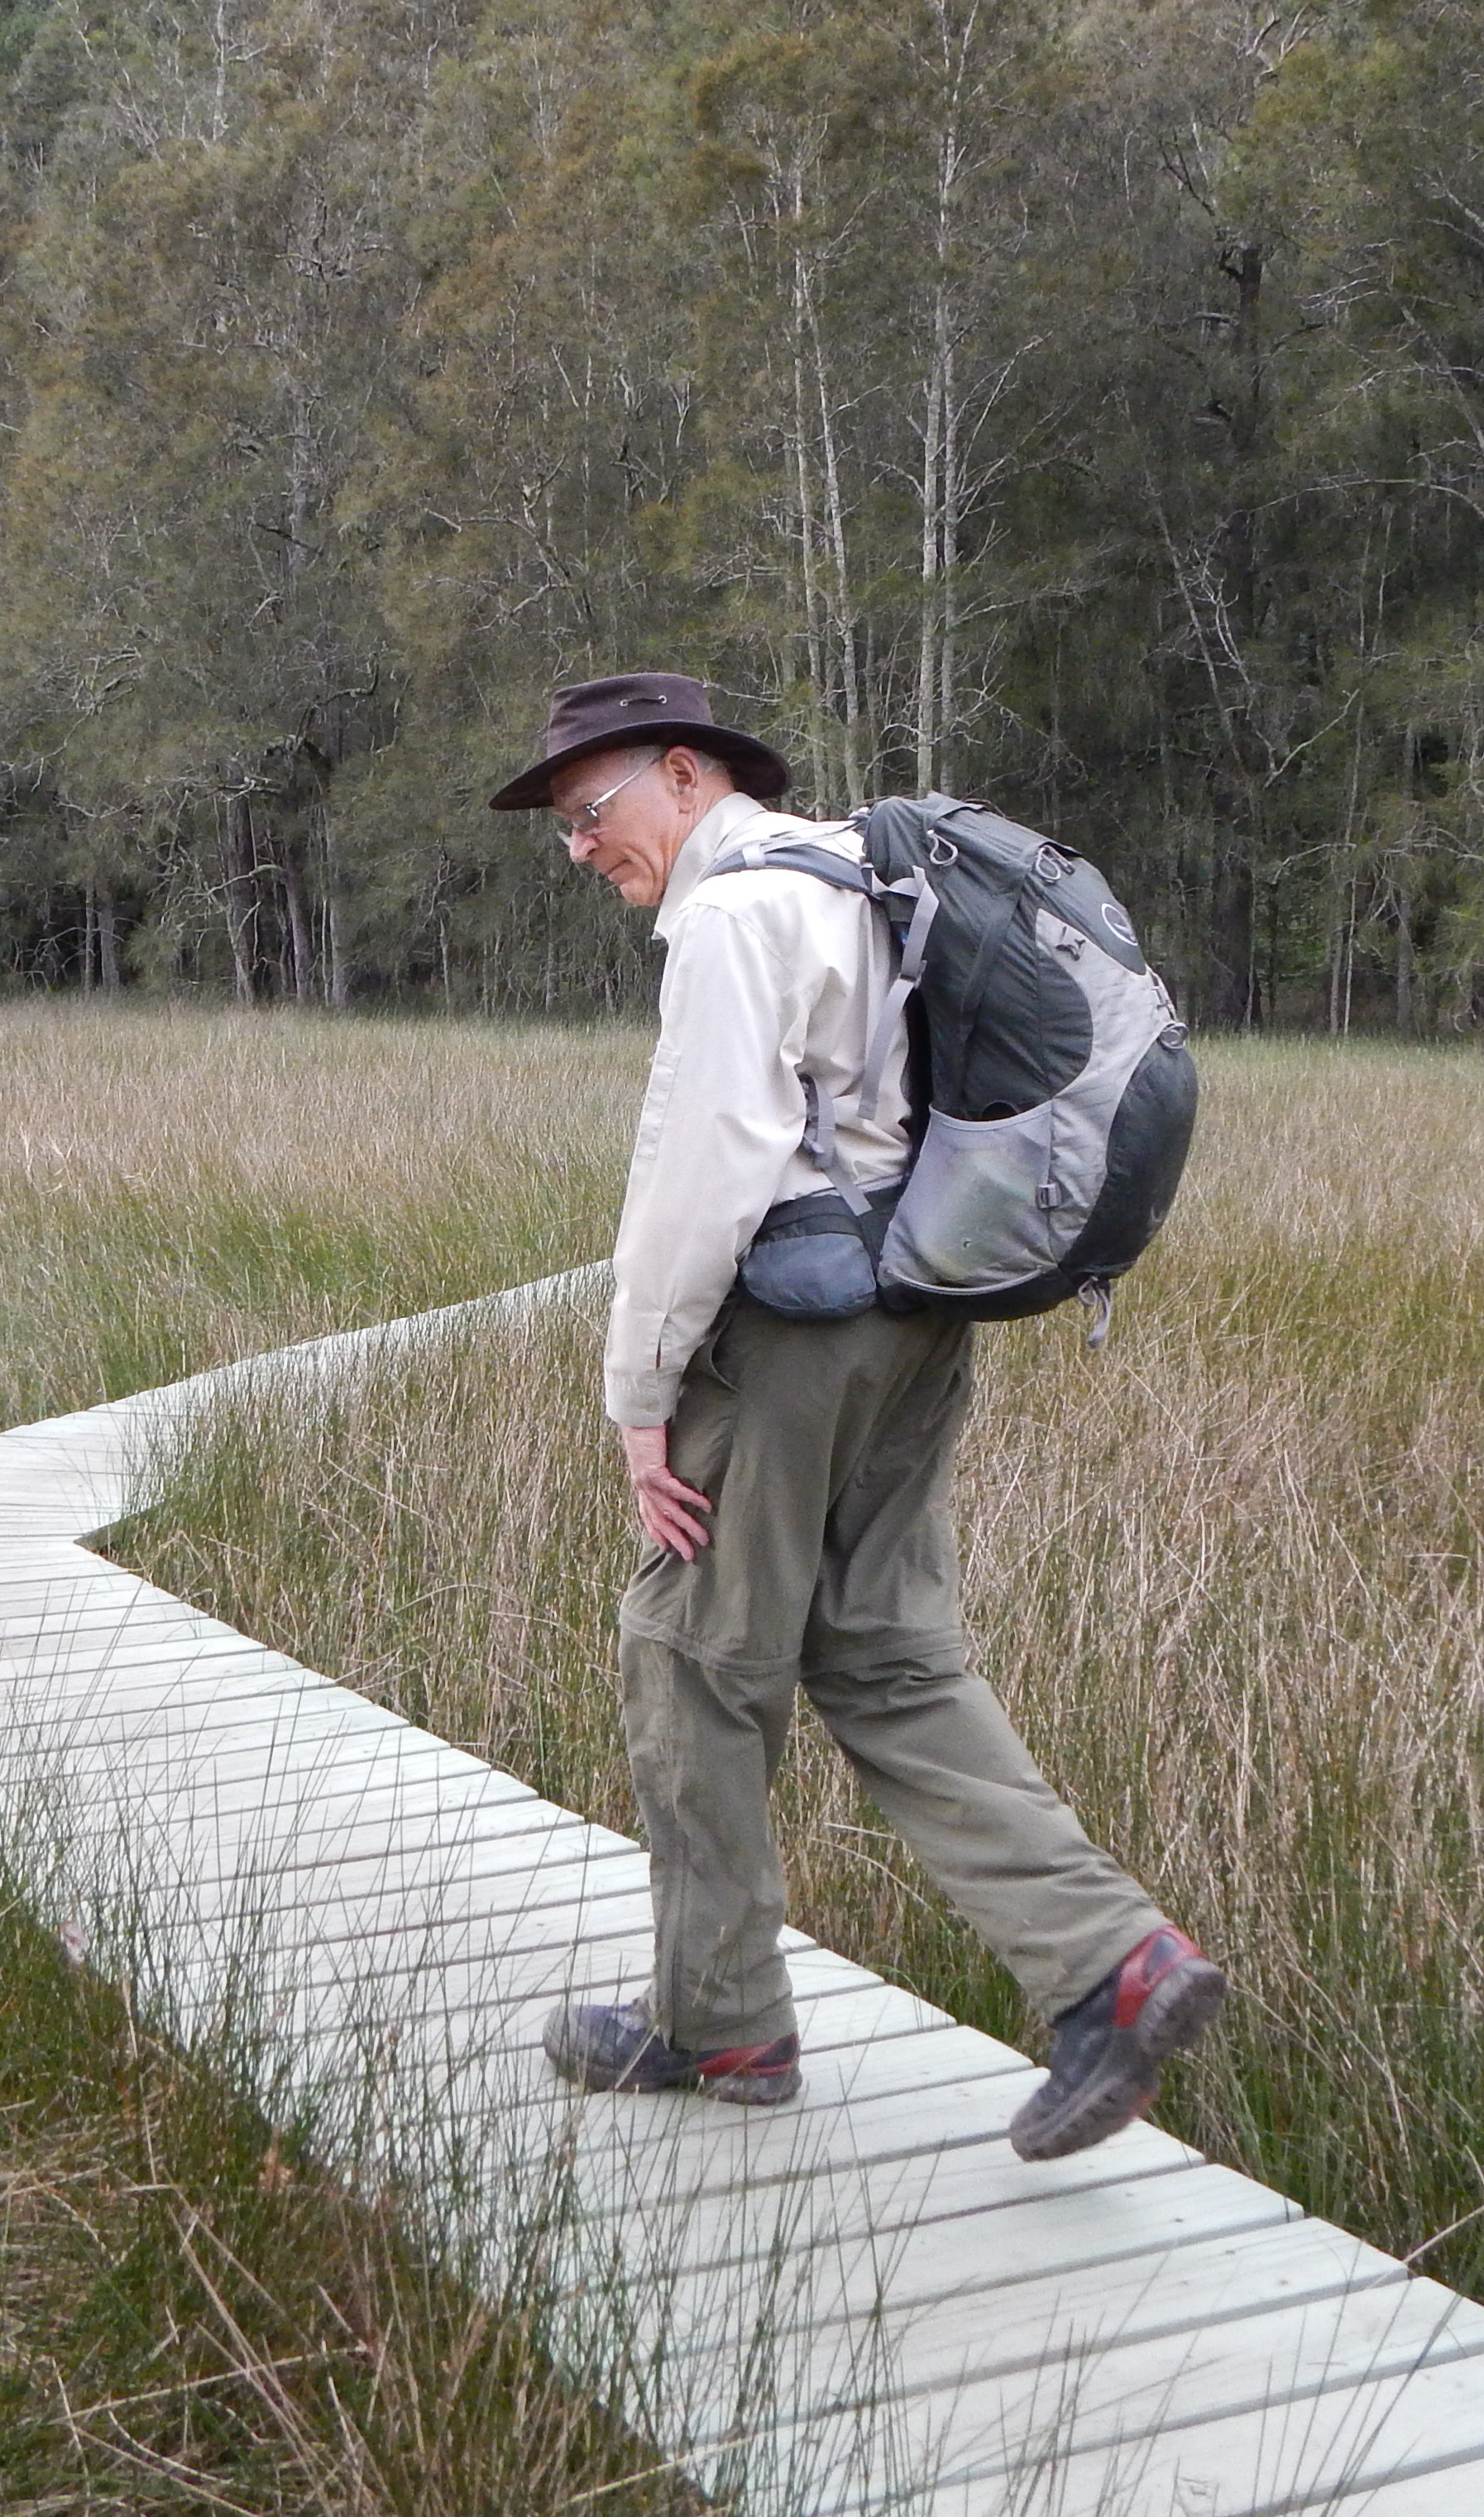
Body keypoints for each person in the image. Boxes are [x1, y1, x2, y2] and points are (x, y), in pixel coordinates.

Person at [488, 671, 1224, 2161]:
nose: (580, 847)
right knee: (885, 1650)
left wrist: (640, 1396)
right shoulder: (866, 878)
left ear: (684, 773)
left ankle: (720, 2024)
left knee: (693, 1656)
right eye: (563, 825)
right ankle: (1114, 1967)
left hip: (790, 1337)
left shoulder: (737, 915)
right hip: (918, 1307)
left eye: (589, 809)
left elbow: (705, 1170)